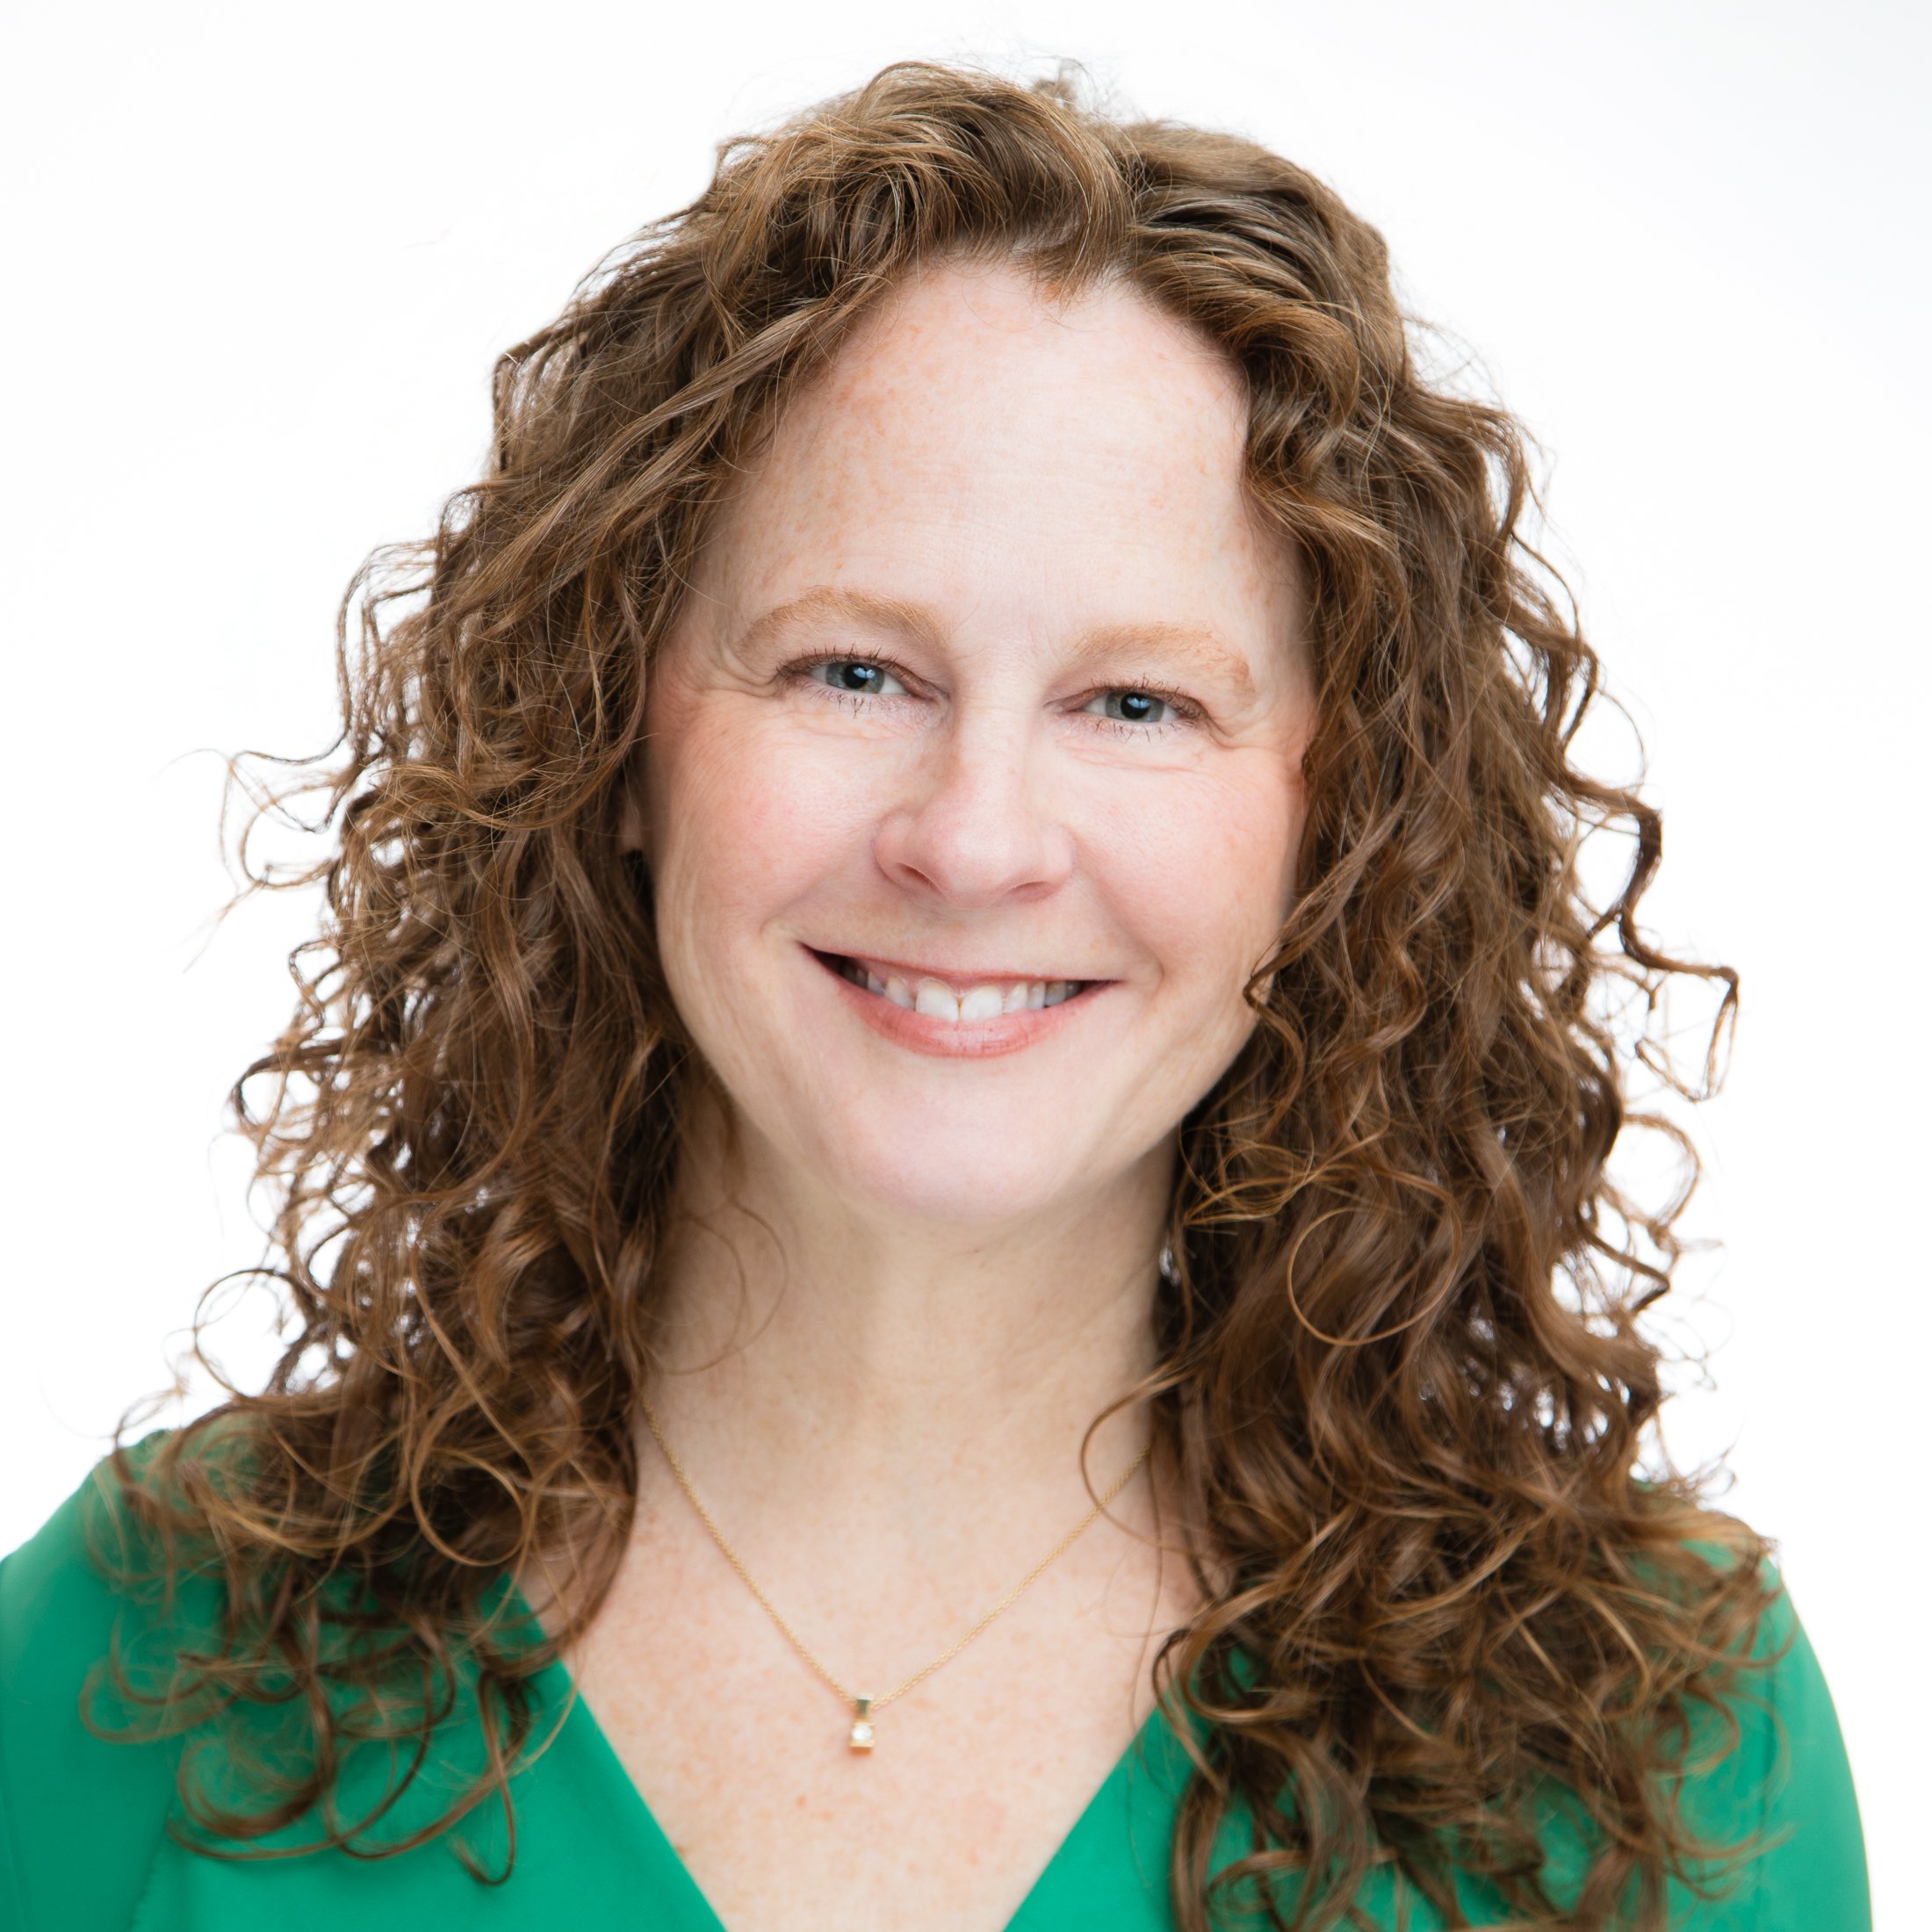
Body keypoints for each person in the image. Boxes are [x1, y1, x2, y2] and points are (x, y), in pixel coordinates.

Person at [0, 59, 1869, 1932]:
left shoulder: (1667, 1735)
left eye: (1136, 702)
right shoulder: (144, 1659)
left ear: (1336, 820)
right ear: (619, 741)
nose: (973, 842)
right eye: (847, 671)